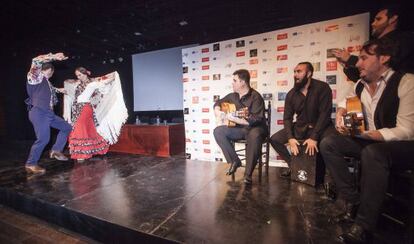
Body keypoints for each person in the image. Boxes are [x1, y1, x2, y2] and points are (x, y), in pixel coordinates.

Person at [320, 38, 414, 243]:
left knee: (372, 153)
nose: (358, 63)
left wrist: (371, 136)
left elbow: (407, 130)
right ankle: (352, 199)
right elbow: (345, 101)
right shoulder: (360, 85)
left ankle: (363, 225)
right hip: (370, 140)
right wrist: (341, 113)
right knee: (329, 143)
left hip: (402, 145)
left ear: (384, 58)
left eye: (363, 58)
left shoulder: (406, 82)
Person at [269, 62, 336, 178]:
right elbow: (287, 118)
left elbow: (325, 114)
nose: (295, 75)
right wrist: (290, 138)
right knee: (275, 140)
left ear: (309, 73)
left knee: (328, 143)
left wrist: (314, 137)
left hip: (321, 126)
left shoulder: (323, 88)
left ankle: (330, 178)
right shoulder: (291, 94)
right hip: (301, 127)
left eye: (299, 71)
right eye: (294, 72)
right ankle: (294, 166)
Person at [213, 69, 268, 185]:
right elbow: (218, 103)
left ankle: (248, 175)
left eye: (234, 80)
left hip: (256, 128)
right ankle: (235, 161)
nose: (232, 83)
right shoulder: (232, 96)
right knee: (218, 131)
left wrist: (233, 119)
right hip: (241, 130)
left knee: (254, 135)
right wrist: (217, 110)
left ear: (243, 82)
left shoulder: (256, 97)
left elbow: (256, 120)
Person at [333, 5, 414, 82]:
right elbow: (362, 78)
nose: (373, 23)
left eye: (378, 19)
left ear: (393, 19)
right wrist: (346, 64)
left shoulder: (406, 39)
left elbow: (390, 66)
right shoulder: (376, 43)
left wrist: (349, 59)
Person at [63, 67, 128, 161]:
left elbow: (109, 78)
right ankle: (94, 150)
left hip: (85, 108)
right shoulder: (77, 83)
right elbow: (67, 85)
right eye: (77, 75)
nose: (78, 77)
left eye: (80, 75)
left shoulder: (93, 82)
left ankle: (81, 154)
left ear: (85, 73)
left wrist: (114, 75)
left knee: (79, 128)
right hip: (77, 109)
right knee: (89, 129)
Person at [25, 52, 72, 175]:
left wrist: (59, 90)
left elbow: (50, 88)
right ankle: (30, 164)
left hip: (48, 113)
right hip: (39, 112)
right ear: (50, 70)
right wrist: (54, 57)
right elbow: (35, 60)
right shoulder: (35, 77)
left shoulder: (46, 81)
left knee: (67, 127)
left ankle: (56, 150)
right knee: (43, 139)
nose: (52, 74)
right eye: (52, 72)